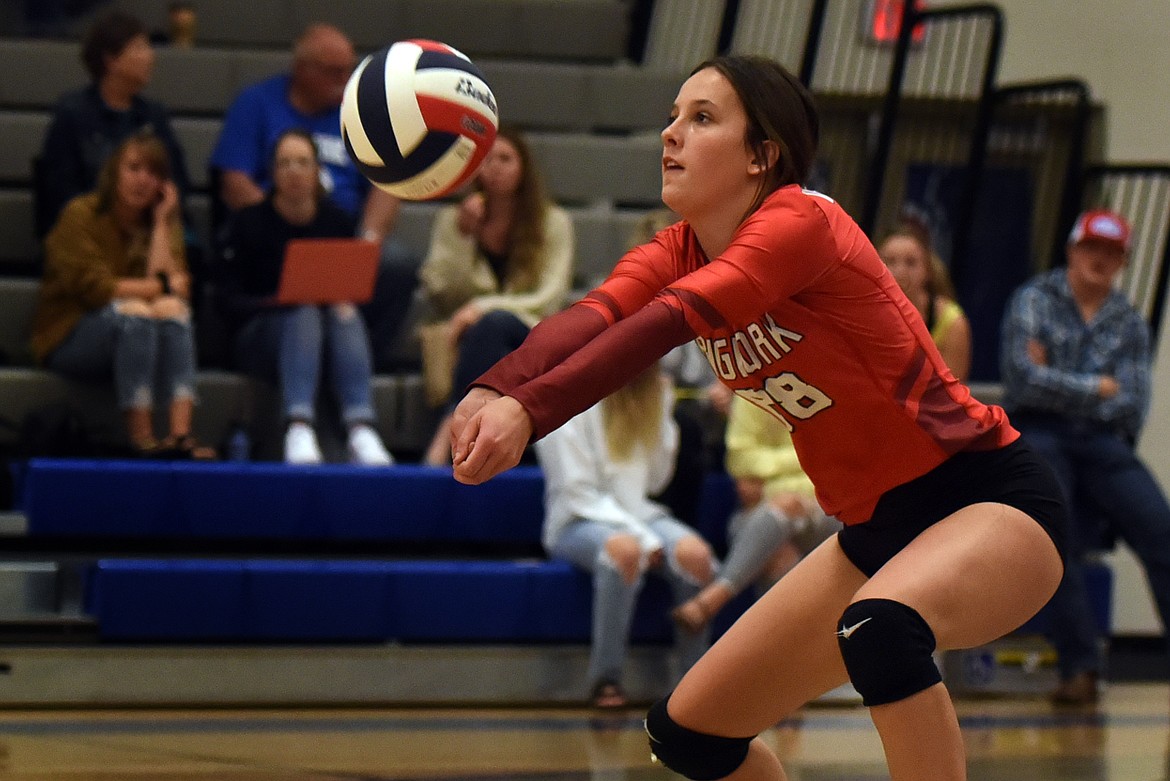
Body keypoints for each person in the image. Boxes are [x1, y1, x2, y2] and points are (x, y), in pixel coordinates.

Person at [447, 55, 1066, 781]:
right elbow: (593, 317)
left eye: (702, 118)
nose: (671, 134)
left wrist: (531, 408)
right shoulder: (678, 249)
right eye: (672, 116)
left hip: (986, 498)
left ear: (761, 155)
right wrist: (495, 386)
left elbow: (663, 325)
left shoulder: (801, 222)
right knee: (690, 732)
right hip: (872, 534)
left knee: (881, 626)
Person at [1001, 208, 1170, 707]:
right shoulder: (1033, 298)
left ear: (1121, 263)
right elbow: (1021, 380)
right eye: (1092, 248)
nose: (1100, 259)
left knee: (1159, 529)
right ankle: (1080, 669)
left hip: (1104, 441)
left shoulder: (1129, 321)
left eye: (1112, 253)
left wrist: (1060, 383)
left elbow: (1131, 402)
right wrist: (1097, 385)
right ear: (1073, 250)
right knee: (1057, 538)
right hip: (1041, 433)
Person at [208, 22, 416, 371]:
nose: (345, 79)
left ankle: (359, 360)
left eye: (349, 70)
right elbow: (234, 180)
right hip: (274, 234)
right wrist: (278, 224)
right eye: (334, 71)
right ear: (302, 70)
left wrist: (365, 244)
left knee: (396, 264)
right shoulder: (257, 103)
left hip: (340, 236)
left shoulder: (359, 112)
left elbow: (386, 183)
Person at [535, 363, 716, 710]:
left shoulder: (649, 395)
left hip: (639, 514)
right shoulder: (567, 396)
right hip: (576, 519)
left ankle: (696, 688)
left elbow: (655, 483)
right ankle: (606, 678)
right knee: (625, 551)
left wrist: (663, 415)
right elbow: (578, 493)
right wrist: (644, 538)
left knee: (695, 555)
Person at [30, 130, 212, 459]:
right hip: (71, 334)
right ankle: (141, 439)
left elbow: (178, 290)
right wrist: (162, 287)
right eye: (134, 168)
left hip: (139, 330)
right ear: (114, 171)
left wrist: (160, 225)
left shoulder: (163, 222)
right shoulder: (80, 215)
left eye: (153, 173)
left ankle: (180, 436)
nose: (142, 180)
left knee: (173, 310)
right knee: (137, 314)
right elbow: (97, 289)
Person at [217, 129, 393, 466]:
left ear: (317, 171)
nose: (294, 171)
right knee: (303, 312)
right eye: (285, 163)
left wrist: (339, 298)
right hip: (260, 336)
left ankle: (361, 428)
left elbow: (350, 284)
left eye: (302, 163)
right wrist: (276, 302)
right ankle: (298, 425)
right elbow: (226, 301)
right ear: (272, 173)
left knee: (345, 312)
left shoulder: (337, 221)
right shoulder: (248, 224)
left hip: (326, 332)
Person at [418, 126, 573, 466]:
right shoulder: (454, 220)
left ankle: (450, 425)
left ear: (523, 168)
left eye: (505, 158)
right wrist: (462, 238)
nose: (495, 167)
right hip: (470, 337)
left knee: (495, 322)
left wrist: (481, 307)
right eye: (487, 160)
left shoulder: (553, 222)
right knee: (488, 332)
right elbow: (440, 293)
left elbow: (548, 298)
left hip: (532, 333)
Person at [671, 394, 842, 634]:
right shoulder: (752, 392)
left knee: (787, 505)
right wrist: (803, 462)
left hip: (829, 513)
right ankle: (789, 663)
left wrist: (771, 478)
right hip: (759, 515)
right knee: (778, 554)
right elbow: (740, 459)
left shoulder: (831, 390)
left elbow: (837, 459)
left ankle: (713, 599)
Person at [36, 9, 191, 240]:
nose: (150, 57)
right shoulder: (73, 114)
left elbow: (176, 179)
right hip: (88, 234)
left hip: (147, 231)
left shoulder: (154, 115)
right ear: (111, 60)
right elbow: (61, 193)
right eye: (139, 48)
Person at [877, 224, 972, 382]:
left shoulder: (953, 322)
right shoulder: (860, 311)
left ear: (927, 270)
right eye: (890, 262)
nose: (900, 272)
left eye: (911, 263)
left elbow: (952, 396)